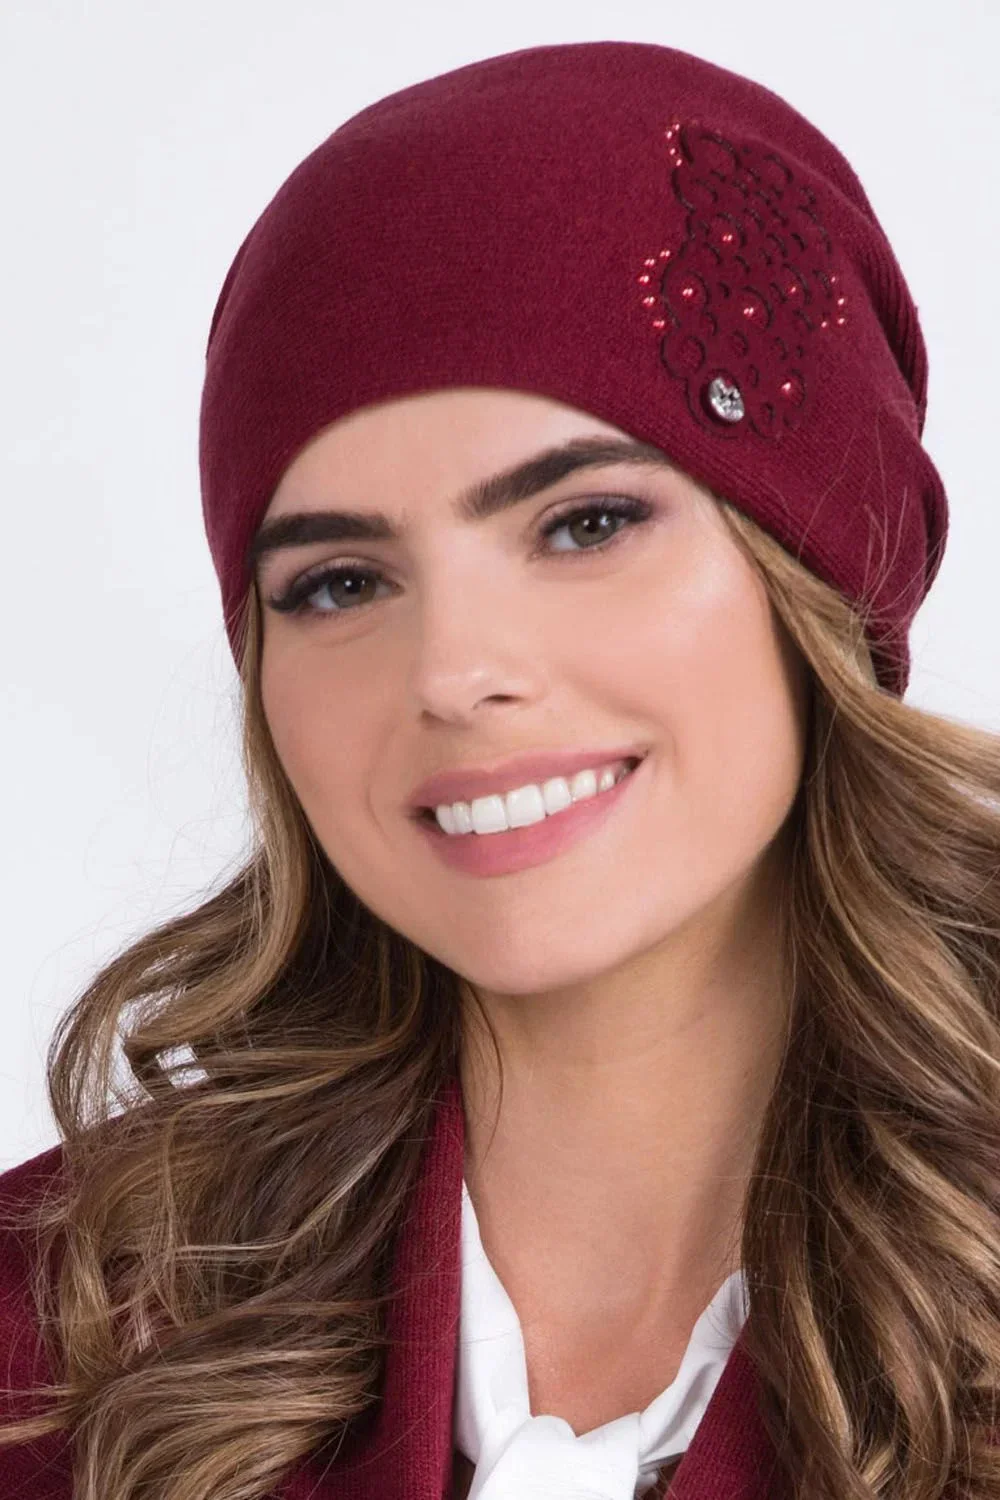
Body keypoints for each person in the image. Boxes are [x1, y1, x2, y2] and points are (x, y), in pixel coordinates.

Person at [1, 36, 998, 1500]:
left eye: (585, 524)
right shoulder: (49, 1337)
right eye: (341, 583)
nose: (453, 672)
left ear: (822, 575)